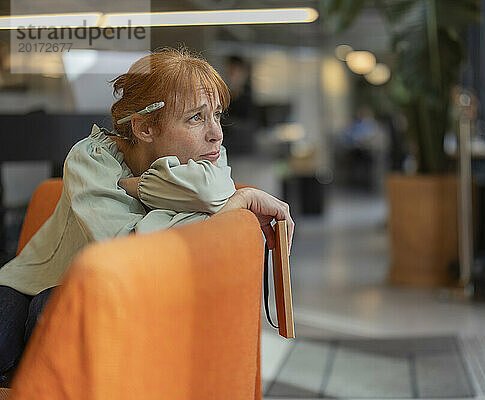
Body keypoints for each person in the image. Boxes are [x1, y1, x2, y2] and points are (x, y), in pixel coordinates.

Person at [0, 45, 294, 385]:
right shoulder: (90, 158)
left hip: (102, 299)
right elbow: (125, 250)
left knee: (59, 311)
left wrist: (143, 187)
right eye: (196, 117)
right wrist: (214, 210)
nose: (216, 133)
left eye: (216, 115)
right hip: (33, 284)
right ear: (143, 128)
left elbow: (209, 195)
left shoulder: (209, 156)